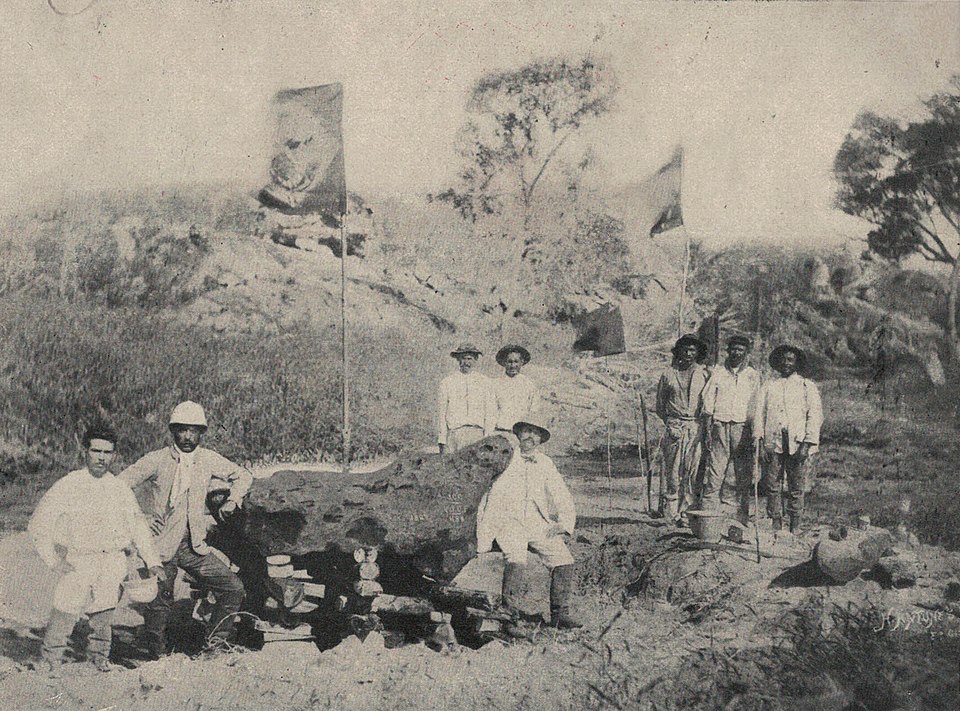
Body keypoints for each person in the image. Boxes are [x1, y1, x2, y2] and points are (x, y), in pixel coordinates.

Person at [119, 401, 253, 657]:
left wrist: (233, 499)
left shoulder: (207, 459)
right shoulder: (156, 459)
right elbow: (119, 485)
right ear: (173, 431)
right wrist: (141, 519)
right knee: (160, 602)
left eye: (195, 430)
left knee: (233, 587)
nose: (188, 437)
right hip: (159, 547)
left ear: (202, 432)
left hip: (194, 546)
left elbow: (242, 475)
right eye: (183, 430)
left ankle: (214, 645)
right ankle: (155, 655)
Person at [28, 424, 163, 672]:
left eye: (107, 452)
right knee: (66, 605)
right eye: (96, 450)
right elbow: (38, 523)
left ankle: (98, 659)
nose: (102, 457)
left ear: (114, 455)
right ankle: (50, 660)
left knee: (104, 609)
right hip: (80, 558)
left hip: (112, 559)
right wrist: (53, 559)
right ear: (85, 451)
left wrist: (153, 560)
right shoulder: (69, 484)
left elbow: (138, 526)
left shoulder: (119, 488)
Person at [477, 420, 581, 630]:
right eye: (527, 432)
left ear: (541, 439)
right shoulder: (505, 457)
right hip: (508, 520)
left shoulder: (544, 462)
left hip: (536, 521)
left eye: (536, 433)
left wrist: (564, 522)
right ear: (518, 434)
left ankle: (560, 614)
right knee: (516, 557)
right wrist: (483, 526)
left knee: (564, 559)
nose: (531, 437)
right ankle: (509, 617)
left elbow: (560, 492)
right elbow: (484, 490)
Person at [753, 346, 823, 533]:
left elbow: (814, 417)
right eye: (783, 360)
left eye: (790, 360)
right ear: (777, 363)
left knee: (796, 484)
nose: (786, 363)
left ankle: (795, 523)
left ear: (797, 363)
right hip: (773, 442)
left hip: (797, 443)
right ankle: (776, 521)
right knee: (772, 483)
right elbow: (759, 415)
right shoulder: (769, 386)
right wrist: (760, 441)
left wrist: (806, 444)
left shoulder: (807, 386)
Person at [699, 335, 761, 522]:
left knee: (742, 472)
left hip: (742, 426)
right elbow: (708, 397)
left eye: (740, 349)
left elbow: (757, 404)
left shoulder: (752, 375)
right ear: (728, 351)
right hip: (720, 424)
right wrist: (709, 422)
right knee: (716, 469)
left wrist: (755, 430)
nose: (736, 353)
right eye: (733, 349)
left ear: (746, 353)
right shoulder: (718, 372)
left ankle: (740, 515)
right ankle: (708, 513)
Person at [656, 334, 709, 525]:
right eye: (684, 350)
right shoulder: (668, 374)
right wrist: (671, 422)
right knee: (672, 471)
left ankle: (687, 513)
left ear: (697, 353)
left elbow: (708, 402)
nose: (688, 354)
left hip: (695, 426)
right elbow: (660, 405)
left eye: (692, 350)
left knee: (693, 472)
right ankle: (670, 514)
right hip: (674, 426)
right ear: (678, 351)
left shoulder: (703, 374)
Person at [437, 343, 495, 454]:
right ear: (458, 359)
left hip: (477, 435)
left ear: (475, 360)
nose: (466, 362)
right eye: (463, 358)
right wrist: (442, 440)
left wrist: (487, 438)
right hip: (454, 434)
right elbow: (441, 413)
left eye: (470, 359)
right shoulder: (447, 382)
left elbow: (490, 412)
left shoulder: (485, 382)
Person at [492, 345, 540, 438]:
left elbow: (533, 411)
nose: (513, 365)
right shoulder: (495, 384)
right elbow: (490, 411)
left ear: (522, 362)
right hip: (499, 432)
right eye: (509, 362)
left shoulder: (530, 385)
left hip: (520, 435)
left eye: (516, 361)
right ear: (504, 363)